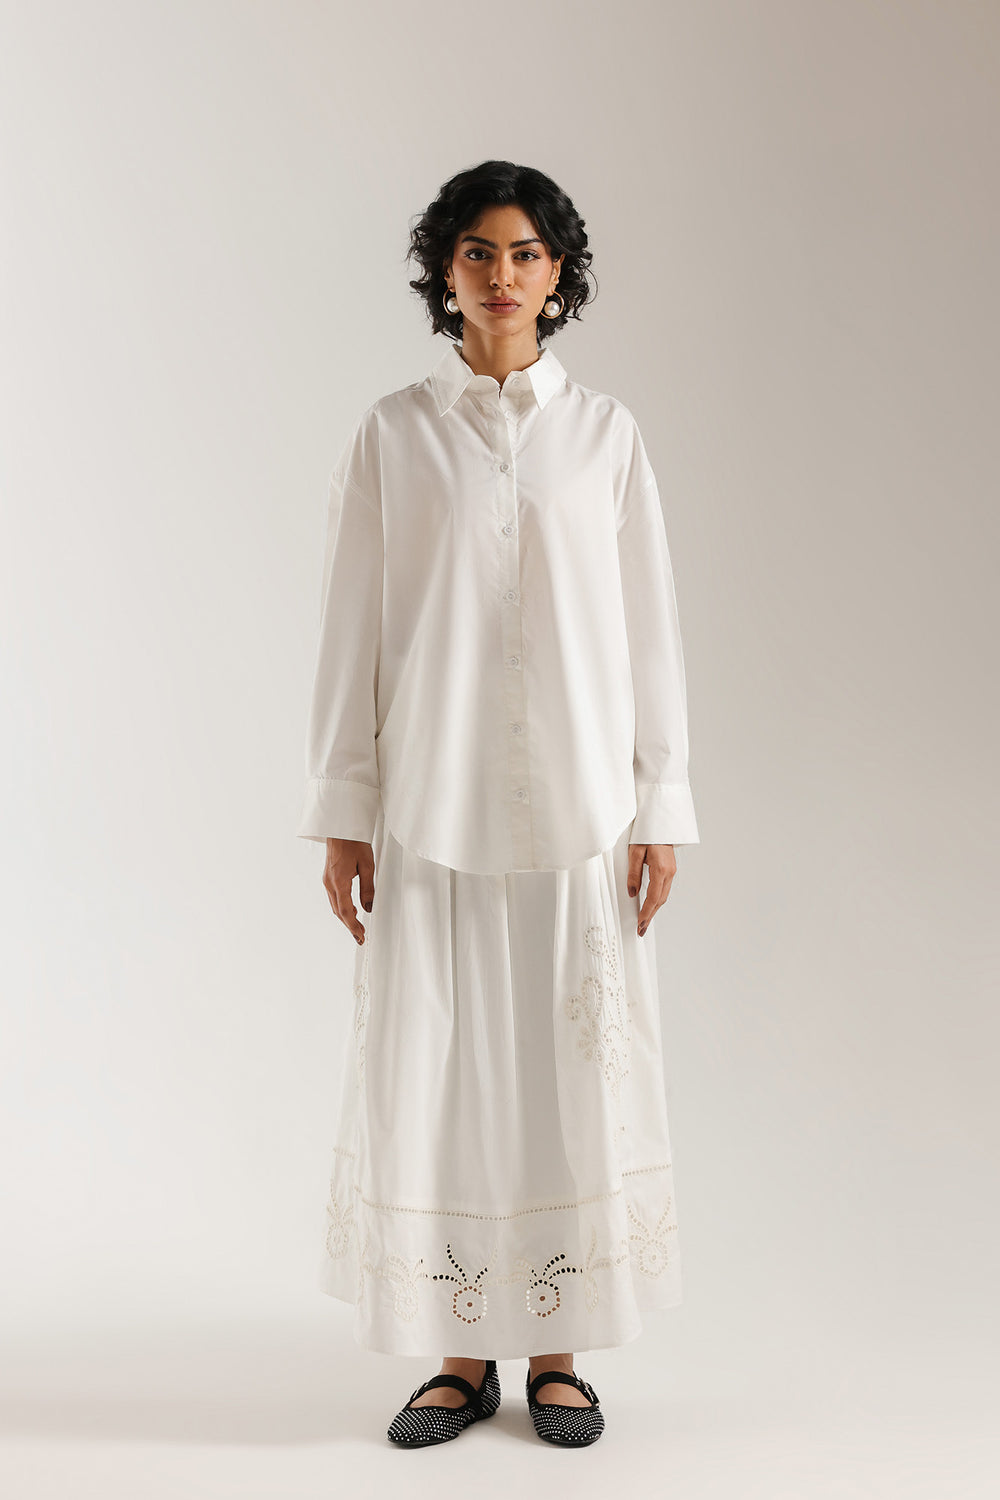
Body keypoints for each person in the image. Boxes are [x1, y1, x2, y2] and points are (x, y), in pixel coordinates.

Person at [296, 160, 700, 1449]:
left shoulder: (607, 437)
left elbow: (649, 630)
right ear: (446, 272)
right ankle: (461, 1355)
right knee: (447, 1071)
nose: (503, 275)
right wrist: (343, 807)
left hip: (583, 807)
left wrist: (662, 803)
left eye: (526, 253)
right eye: (478, 252)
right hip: (432, 806)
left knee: (567, 1074)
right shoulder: (394, 434)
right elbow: (350, 626)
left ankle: (561, 1355)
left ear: (558, 274)